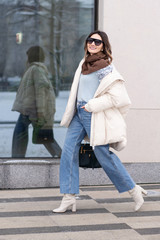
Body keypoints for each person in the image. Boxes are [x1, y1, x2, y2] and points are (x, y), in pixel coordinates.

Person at [53, 30, 147, 213]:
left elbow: (118, 98)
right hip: (78, 114)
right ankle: (69, 197)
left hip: (91, 113)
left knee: (103, 154)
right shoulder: (83, 63)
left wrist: (91, 105)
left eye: (97, 42)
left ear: (104, 45)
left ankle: (133, 189)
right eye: (90, 41)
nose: (93, 44)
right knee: (68, 152)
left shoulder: (106, 68)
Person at [12, 46, 61, 158]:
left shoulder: (36, 69)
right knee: (44, 136)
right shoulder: (34, 69)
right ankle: (60, 155)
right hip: (31, 109)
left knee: (23, 134)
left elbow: (41, 92)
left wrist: (40, 112)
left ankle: (16, 158)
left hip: (31, 110)